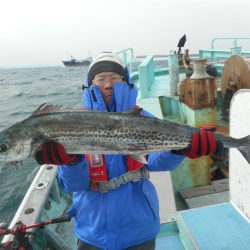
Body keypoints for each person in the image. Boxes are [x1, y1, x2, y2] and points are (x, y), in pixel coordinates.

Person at [35, 52, 221, 250]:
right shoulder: (74, 124)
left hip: (138, 227)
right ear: (90, 84)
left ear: (125, 82)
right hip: (93, 230)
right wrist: (70, 162)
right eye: (101, 79)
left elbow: (157, 161)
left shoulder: (140, 116)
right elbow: (75, 185)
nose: (108, 85)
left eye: (115, 78)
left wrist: (179, 150)